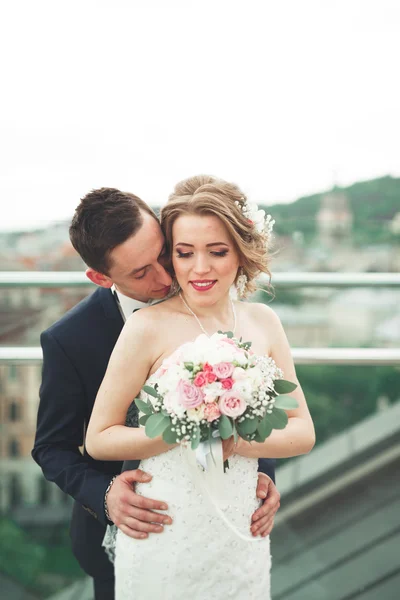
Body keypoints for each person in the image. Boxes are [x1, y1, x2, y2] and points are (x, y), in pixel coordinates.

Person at [32, 187, 280, 600]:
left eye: (164, 255)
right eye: (141, 273)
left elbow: (247, 398)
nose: (166, 278)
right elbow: (51, 447)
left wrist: (262, 474)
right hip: (131, 532)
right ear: (101, 277)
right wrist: (106, 496)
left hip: (226, 525)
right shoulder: (69, 339)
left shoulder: (216, 299)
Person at [86, 176, 315, 599]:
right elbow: (99, 439)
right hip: (166, 527)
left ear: (241, 252)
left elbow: (303, 432)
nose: (200, 268)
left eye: (218, 251)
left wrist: (239, 441)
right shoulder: (145, 328)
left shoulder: (265, 323)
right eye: (184, 253)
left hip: (241, 529)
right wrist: (183, 428)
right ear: (170, 255)